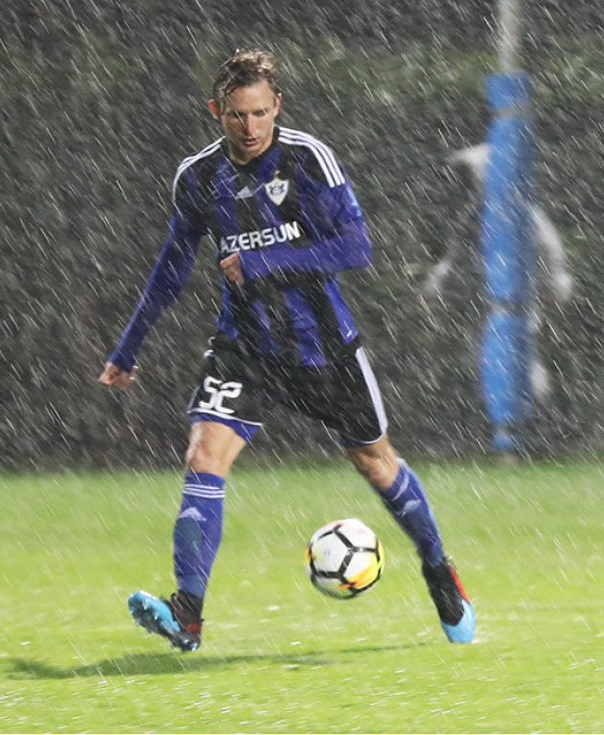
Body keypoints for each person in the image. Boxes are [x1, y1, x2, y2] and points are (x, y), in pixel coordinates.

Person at [99, 49, 476, 651]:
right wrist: (129, 346)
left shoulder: (306, 159)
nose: (250, 127)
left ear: (277, 106)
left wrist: (264, 261)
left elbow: (356, 247)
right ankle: (188, 614)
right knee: (203, 458)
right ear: (216, 111)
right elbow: (171, 267)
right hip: (245, 347)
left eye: (260, 113)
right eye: (237, 115)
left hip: (322, 348)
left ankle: (437, 568)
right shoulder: (198, 178)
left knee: (377, 464)